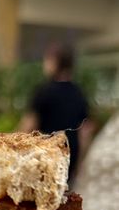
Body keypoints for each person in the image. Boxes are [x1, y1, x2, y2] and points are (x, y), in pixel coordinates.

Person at [20, 44, 94, 185]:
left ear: (54, 62)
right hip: (69, 160)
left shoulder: (44, 91)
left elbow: (28, 126)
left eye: (46, 60)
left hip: (45, 160)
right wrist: (80, 162)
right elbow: (85, 132)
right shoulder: (79, 93)